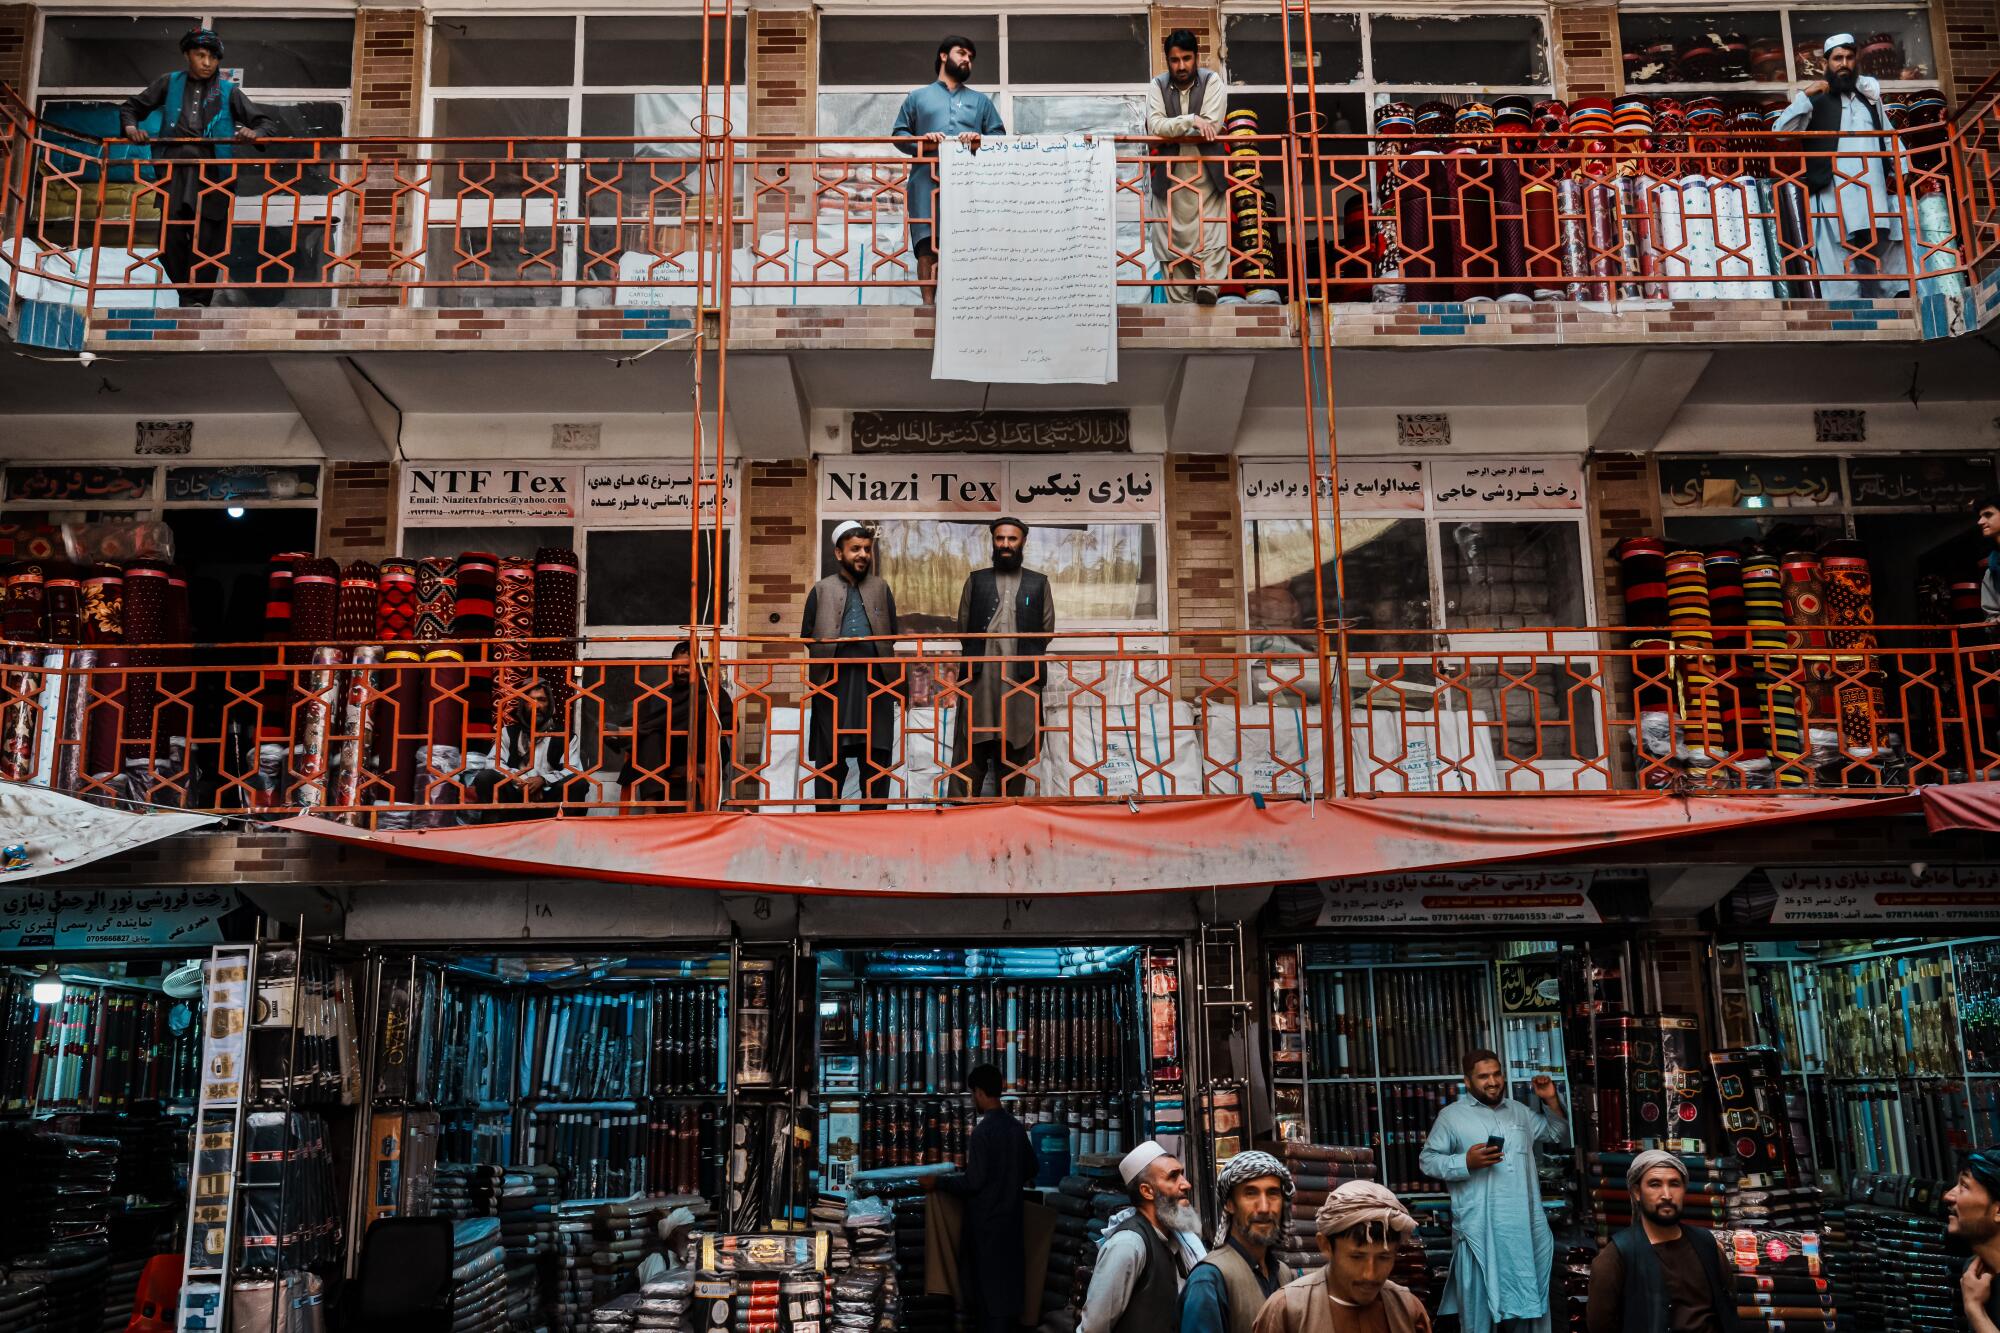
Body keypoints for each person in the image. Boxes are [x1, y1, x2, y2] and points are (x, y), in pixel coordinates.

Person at [1417, 1049, 1569, 1333]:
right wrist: (1465, 1162)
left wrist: (1550, 1099)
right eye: (1483, 1076)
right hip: (1479, 1232)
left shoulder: (1520, 1112)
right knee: (1478, 1318)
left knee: (1528, 1315)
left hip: (1523, 1233)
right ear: (1468, 1080)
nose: (1492, 1081)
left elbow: (1557, 1133)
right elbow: (1427, 1161)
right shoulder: (1451, 1117)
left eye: (1496, 1074)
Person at [119, 27, 274, 306]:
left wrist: (255, 134)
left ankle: (196, 300)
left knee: (208, 240)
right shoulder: (169, 83)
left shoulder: (228, 91)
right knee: (171, 239)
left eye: (213, 58)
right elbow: (131, 108)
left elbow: (265, 124)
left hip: (214, 174)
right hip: (175, 170)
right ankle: (187, 295)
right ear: (186, 54)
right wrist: (131, 128)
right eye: (200, 55)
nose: (207, 63)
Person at [1774, 34, 1907, 299]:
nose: (1843, 64)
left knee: (1879, 251)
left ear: (1856, 60)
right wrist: (1805, 96)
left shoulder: (1869, 98)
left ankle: (1890, 308)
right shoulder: (1816, 100)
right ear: (1827, 63)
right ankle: (1848, 314)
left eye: (1848, 57)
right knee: (1838, 259)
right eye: (1837, 58)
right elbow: (1780, 131)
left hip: (1872, 191)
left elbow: (1890, 137)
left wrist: (1904, 171)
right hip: (1832, 192)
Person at [800, 520, 903, 810]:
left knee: (876, 755)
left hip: (875, 683)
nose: (863, 555)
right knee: (830, 756)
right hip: (834, 685)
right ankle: (828, 821)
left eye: (867, 549)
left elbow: (891, 634)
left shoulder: (881, 587)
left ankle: (873, 822)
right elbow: (807, 636)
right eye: (855, 549)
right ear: (838, 553)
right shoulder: (821, 590)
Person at [891, 35, 1006, 292]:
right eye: (962, 53)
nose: (967, 60)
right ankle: (928, 311)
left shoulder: (981, 102)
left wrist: (979, 140)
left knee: (966, 249)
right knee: (927, 246)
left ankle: (965, 311)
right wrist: (926, 141)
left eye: (971, 58)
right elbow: (899, 135)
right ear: (944, 56)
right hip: (925, 185)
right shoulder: (918, 97)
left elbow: (999, 138)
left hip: (969, 186)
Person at [1584, 1150, 1745, 1333]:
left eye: (1674, 1184)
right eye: (1655, 1184)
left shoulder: (1706, 1244)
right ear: (1637, 1192)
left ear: (1684, 1189)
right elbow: (1600, 1326)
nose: (1666, 1195)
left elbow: (1727, 1306)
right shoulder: (1616, 1257)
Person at [952, 517, 1054, 798]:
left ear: (1023, 542)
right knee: (971, 749)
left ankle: (1011, 819)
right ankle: (959, 818)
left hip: (1020, 684)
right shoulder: (976, 580)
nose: (1006, 544)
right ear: (993, 542)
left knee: (1016, 753)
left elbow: (1046, 631)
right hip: (980, 683)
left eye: (1012, 539)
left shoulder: (1039, 583)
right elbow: (964, 629)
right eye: (1000, 539)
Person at [934, 1064, 1040, 1333]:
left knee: (986, 1297)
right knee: (1008, 1292)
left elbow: (974, 1181)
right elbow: (1031, 1168)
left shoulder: (983, 1132)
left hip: (986, 1227)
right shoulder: (1015, 1128)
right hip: (1012, 1224)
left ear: (979, 1092)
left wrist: (937, 1182)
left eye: (973, 1094)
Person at [1250, 1180, 1432, 1333]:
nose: (1370, 1274)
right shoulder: (1286, 1311)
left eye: (1383, 1257)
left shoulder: (1408, 1310)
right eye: (1357, 1257)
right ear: (1326, 1246)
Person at [1080, 1141, 1208, 1333]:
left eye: (1181, 1174)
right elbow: (1093, 1328)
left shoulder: (1179, 1240)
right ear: (1147, 1191)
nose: (1186, 1184)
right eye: (1173, 1177)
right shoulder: (1128, 1244)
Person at [1145, 29, 1230, 305]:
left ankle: (1208, 286)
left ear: (1197, 57)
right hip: (1169, 183)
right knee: (1170, 241)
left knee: (1212, 233)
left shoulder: (1212, 81)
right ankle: (1181, 299)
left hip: (1207, 180)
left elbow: (1212, 124)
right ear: (1167, 60)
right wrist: (1191, 120)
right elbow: (1155, 125)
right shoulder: (1157, 86)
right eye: (1174, 60)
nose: (1181, 66)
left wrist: (1180, 126)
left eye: (1186, 58)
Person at [1179, 1150, 1295, 1333]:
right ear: (1229, 1204)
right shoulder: (1208, 1279)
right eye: (1251, 1193)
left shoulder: (1284, 1273)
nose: (1264, 1208)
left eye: (1273, 1193)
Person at [619, 640, 735, 808]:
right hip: (667, 752)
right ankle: (650, 806)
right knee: (651, 736)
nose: (679, 671)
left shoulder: (711, 692)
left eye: (686, 666)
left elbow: (731, 724)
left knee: (696, 705)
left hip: (700, 750)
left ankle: (633, 730)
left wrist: (700, 723)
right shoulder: (664, 693)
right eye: (675, 666)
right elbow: (643, 715)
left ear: (698, 665)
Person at [467, 677, 588, 820]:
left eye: (542, 700)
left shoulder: (566, 736)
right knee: (486, 778)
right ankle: (497, 833)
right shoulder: (508, 733)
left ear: (549, 703)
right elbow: (493, 763)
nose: (536, 705)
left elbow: (573, 770)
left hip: (550, 803)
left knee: (578, 783)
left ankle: (565, 833)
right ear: (522, 705)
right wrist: (523, 781)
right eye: (529, 700)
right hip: (515, 801)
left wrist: (543, 780)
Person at [1947, 1147, 2000, 1332]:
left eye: (1964, 1185)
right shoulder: (1974, 1273)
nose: (1948, 1196)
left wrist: (1975, 1310)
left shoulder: (1973, 1290)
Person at [1975, 496, 2000, 623]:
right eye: (1980, 516)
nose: (1980, 521)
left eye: (1988, 514)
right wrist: (1995, 621)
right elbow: (1991, 620)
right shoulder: (1992, 569)